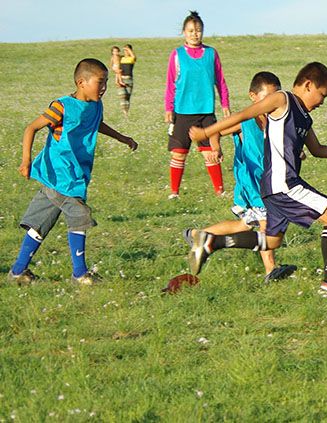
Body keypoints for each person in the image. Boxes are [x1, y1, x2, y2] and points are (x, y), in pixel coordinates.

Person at [187, 62, 327, 296]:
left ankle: (212, 242)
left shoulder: (305, 118)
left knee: (271, 242)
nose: (322, 102)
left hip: (275, 187)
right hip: (284, 184)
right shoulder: (282, 100)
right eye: (322, 95)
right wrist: (206, 132)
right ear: (308, 85)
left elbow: (318, 150)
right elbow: (243, 114)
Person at [7, 59, 138, 285]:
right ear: (81, 82)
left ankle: (17, 272)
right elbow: (31, 128)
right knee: (79, 216)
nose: (105, 87)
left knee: (40, 224)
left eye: (106, 82)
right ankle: (80, 274)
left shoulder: (96, 105)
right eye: (100, 82)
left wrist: (122, 138)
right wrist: (26, 161)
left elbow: (97, 124)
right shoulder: (62, 106)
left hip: (75, 175)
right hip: (60, 175)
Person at [184, 71, 296, 283]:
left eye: (276, 96)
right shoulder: (245, 120)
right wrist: (216, 148)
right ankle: (271, 270)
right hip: (252, 181)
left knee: (244, 225)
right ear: (253, 96)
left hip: (270, 179)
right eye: (267, 97)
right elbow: (215, 131)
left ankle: (198, 234)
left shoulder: (276, 119)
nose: (272, 102)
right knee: (266, 222)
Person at [165, 10, 230, 199]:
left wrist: (225, 103)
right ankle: (174, 192)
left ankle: (220, 191)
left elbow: (220, 80)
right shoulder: (177, 55)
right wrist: (168, 108)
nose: (195, 34)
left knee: (211, 153)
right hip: (183, 112)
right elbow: (171, 83)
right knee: (178, 154)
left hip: (206, 112)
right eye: (191, 30)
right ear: (184, 32)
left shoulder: (211, 54)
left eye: (199, 30)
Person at [118, 44, 136, 116]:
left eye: (127, 50)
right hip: (122, 78)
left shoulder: (131, 59)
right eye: (124, 50)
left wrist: (129, 49)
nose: (125, 52)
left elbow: (134, 57)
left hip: (129, 79)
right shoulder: (121, 58)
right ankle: (123, 112)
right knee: (123, 96)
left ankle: (126, 113)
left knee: (127, 97)